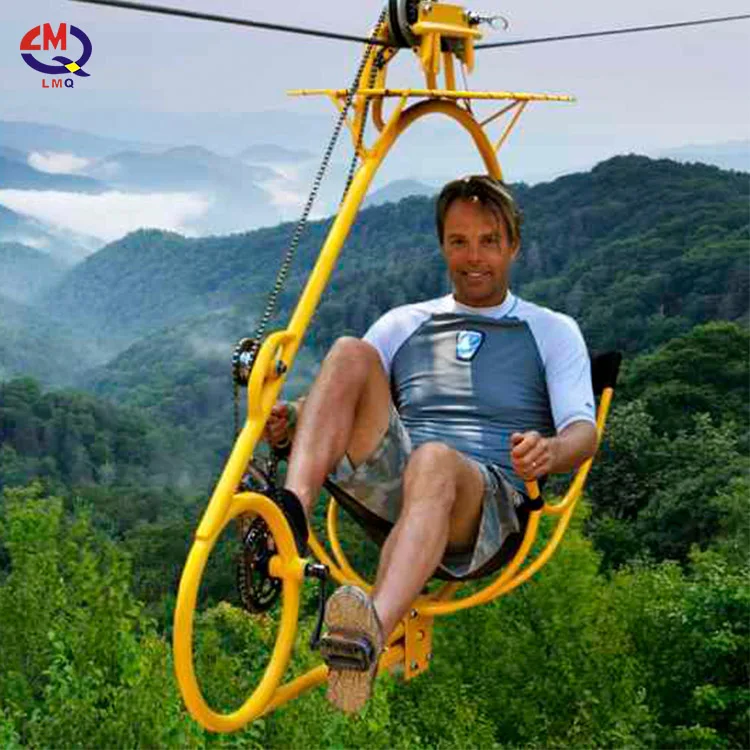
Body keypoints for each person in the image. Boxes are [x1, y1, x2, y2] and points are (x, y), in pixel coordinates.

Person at [263, 175, 598, 714]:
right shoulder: (405, 322)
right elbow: (344, 395)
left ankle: (368, 635)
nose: (474, 257)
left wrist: (549, 452)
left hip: (485, 509)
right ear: (443, 245)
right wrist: (293, 421)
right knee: (350, 352)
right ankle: (291, 514)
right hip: (398, 488)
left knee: (434, 461)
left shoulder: (551, 330)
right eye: (459, 241)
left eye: (489, 241)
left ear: (513, 246)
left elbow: (583, 430)